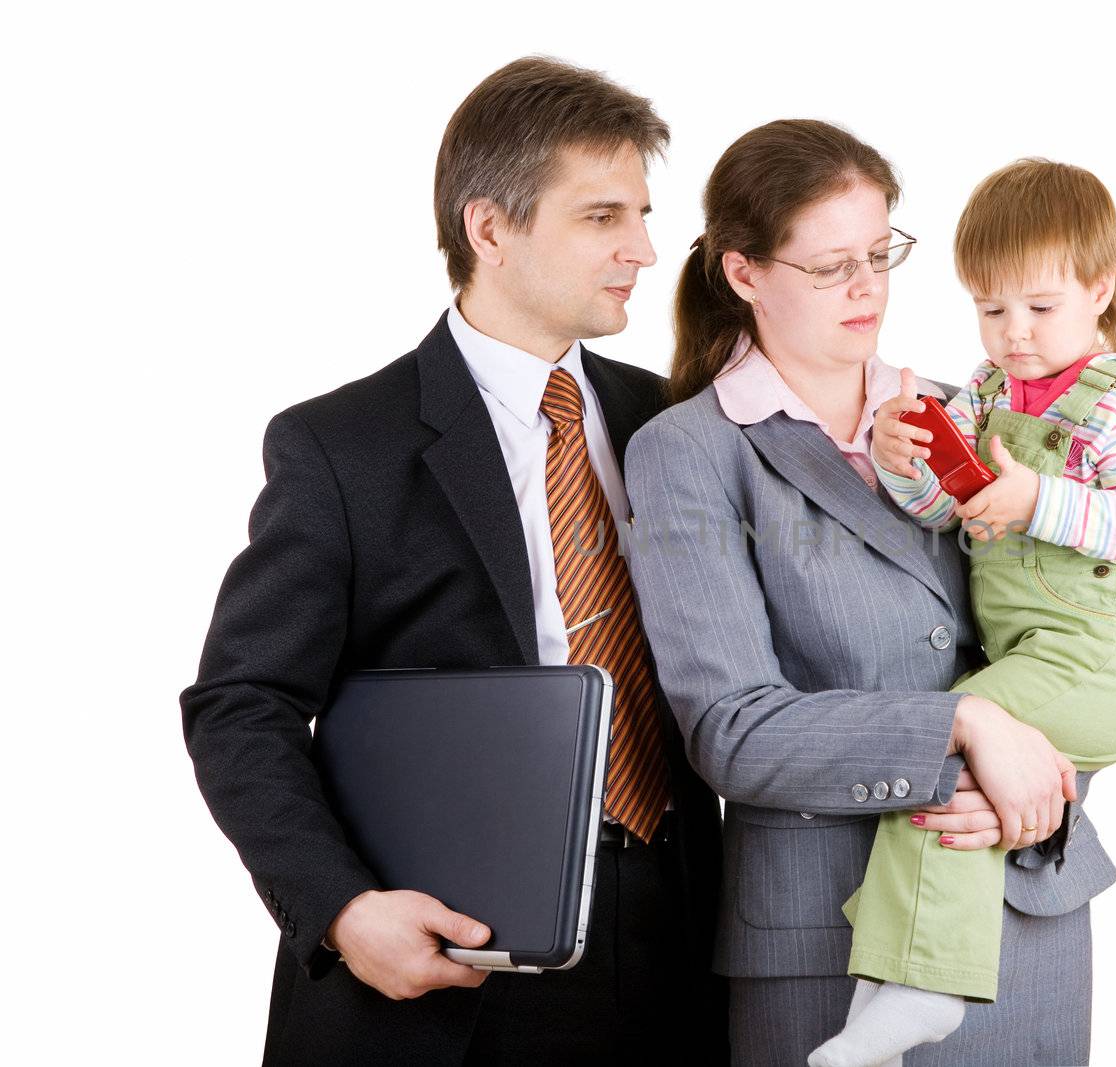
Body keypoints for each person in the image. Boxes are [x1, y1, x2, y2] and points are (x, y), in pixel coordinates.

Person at [179, 56, 727, 1064]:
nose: (644, 250)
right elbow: (241, 703)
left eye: (643, 215)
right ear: (490, 228)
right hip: (443, 974)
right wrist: (342, 910)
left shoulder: (674, 421)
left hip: (675, 949)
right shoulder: (343, 447)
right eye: (603, 217)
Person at [623, 119, 1114, 1067]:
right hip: (824, 941)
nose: (866, 288)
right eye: (829, 266)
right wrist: (960, 735)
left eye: (880, 254)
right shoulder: (692, 450)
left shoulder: (968, 409)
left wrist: (1048, 776)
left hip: (1023, 900)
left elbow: (1080, 629)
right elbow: (734, 726)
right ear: (744, 273)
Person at [810, 158, 1116, 1065]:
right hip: (1025, 659)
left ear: (1101, 288)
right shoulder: (982, 394)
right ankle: (900, 984)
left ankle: (921, 983)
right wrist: (905, 459)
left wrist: (1040, 502)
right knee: (938, 771)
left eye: (1039, 307)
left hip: (1099, 659)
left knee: (938, 737)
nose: (1012, 333)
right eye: (990, 309)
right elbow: (948, 511)